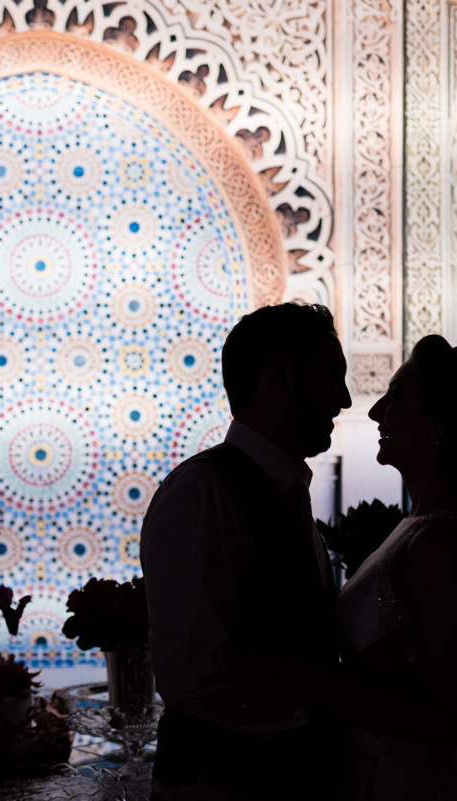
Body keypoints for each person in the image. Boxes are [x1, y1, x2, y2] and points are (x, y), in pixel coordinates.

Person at [206, 334, 457, 799]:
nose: (376, 412)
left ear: (439, 422)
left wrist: (310, 681)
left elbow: (445, 720)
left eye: (396, 396)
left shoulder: (439, 542)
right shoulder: (420, 524)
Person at [140, 302, 352, 800]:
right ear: (280, 373)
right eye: (331, 376)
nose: (343, 399)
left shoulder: (286, 489)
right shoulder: (204, 494)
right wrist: (328, 701)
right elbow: (191, 676)